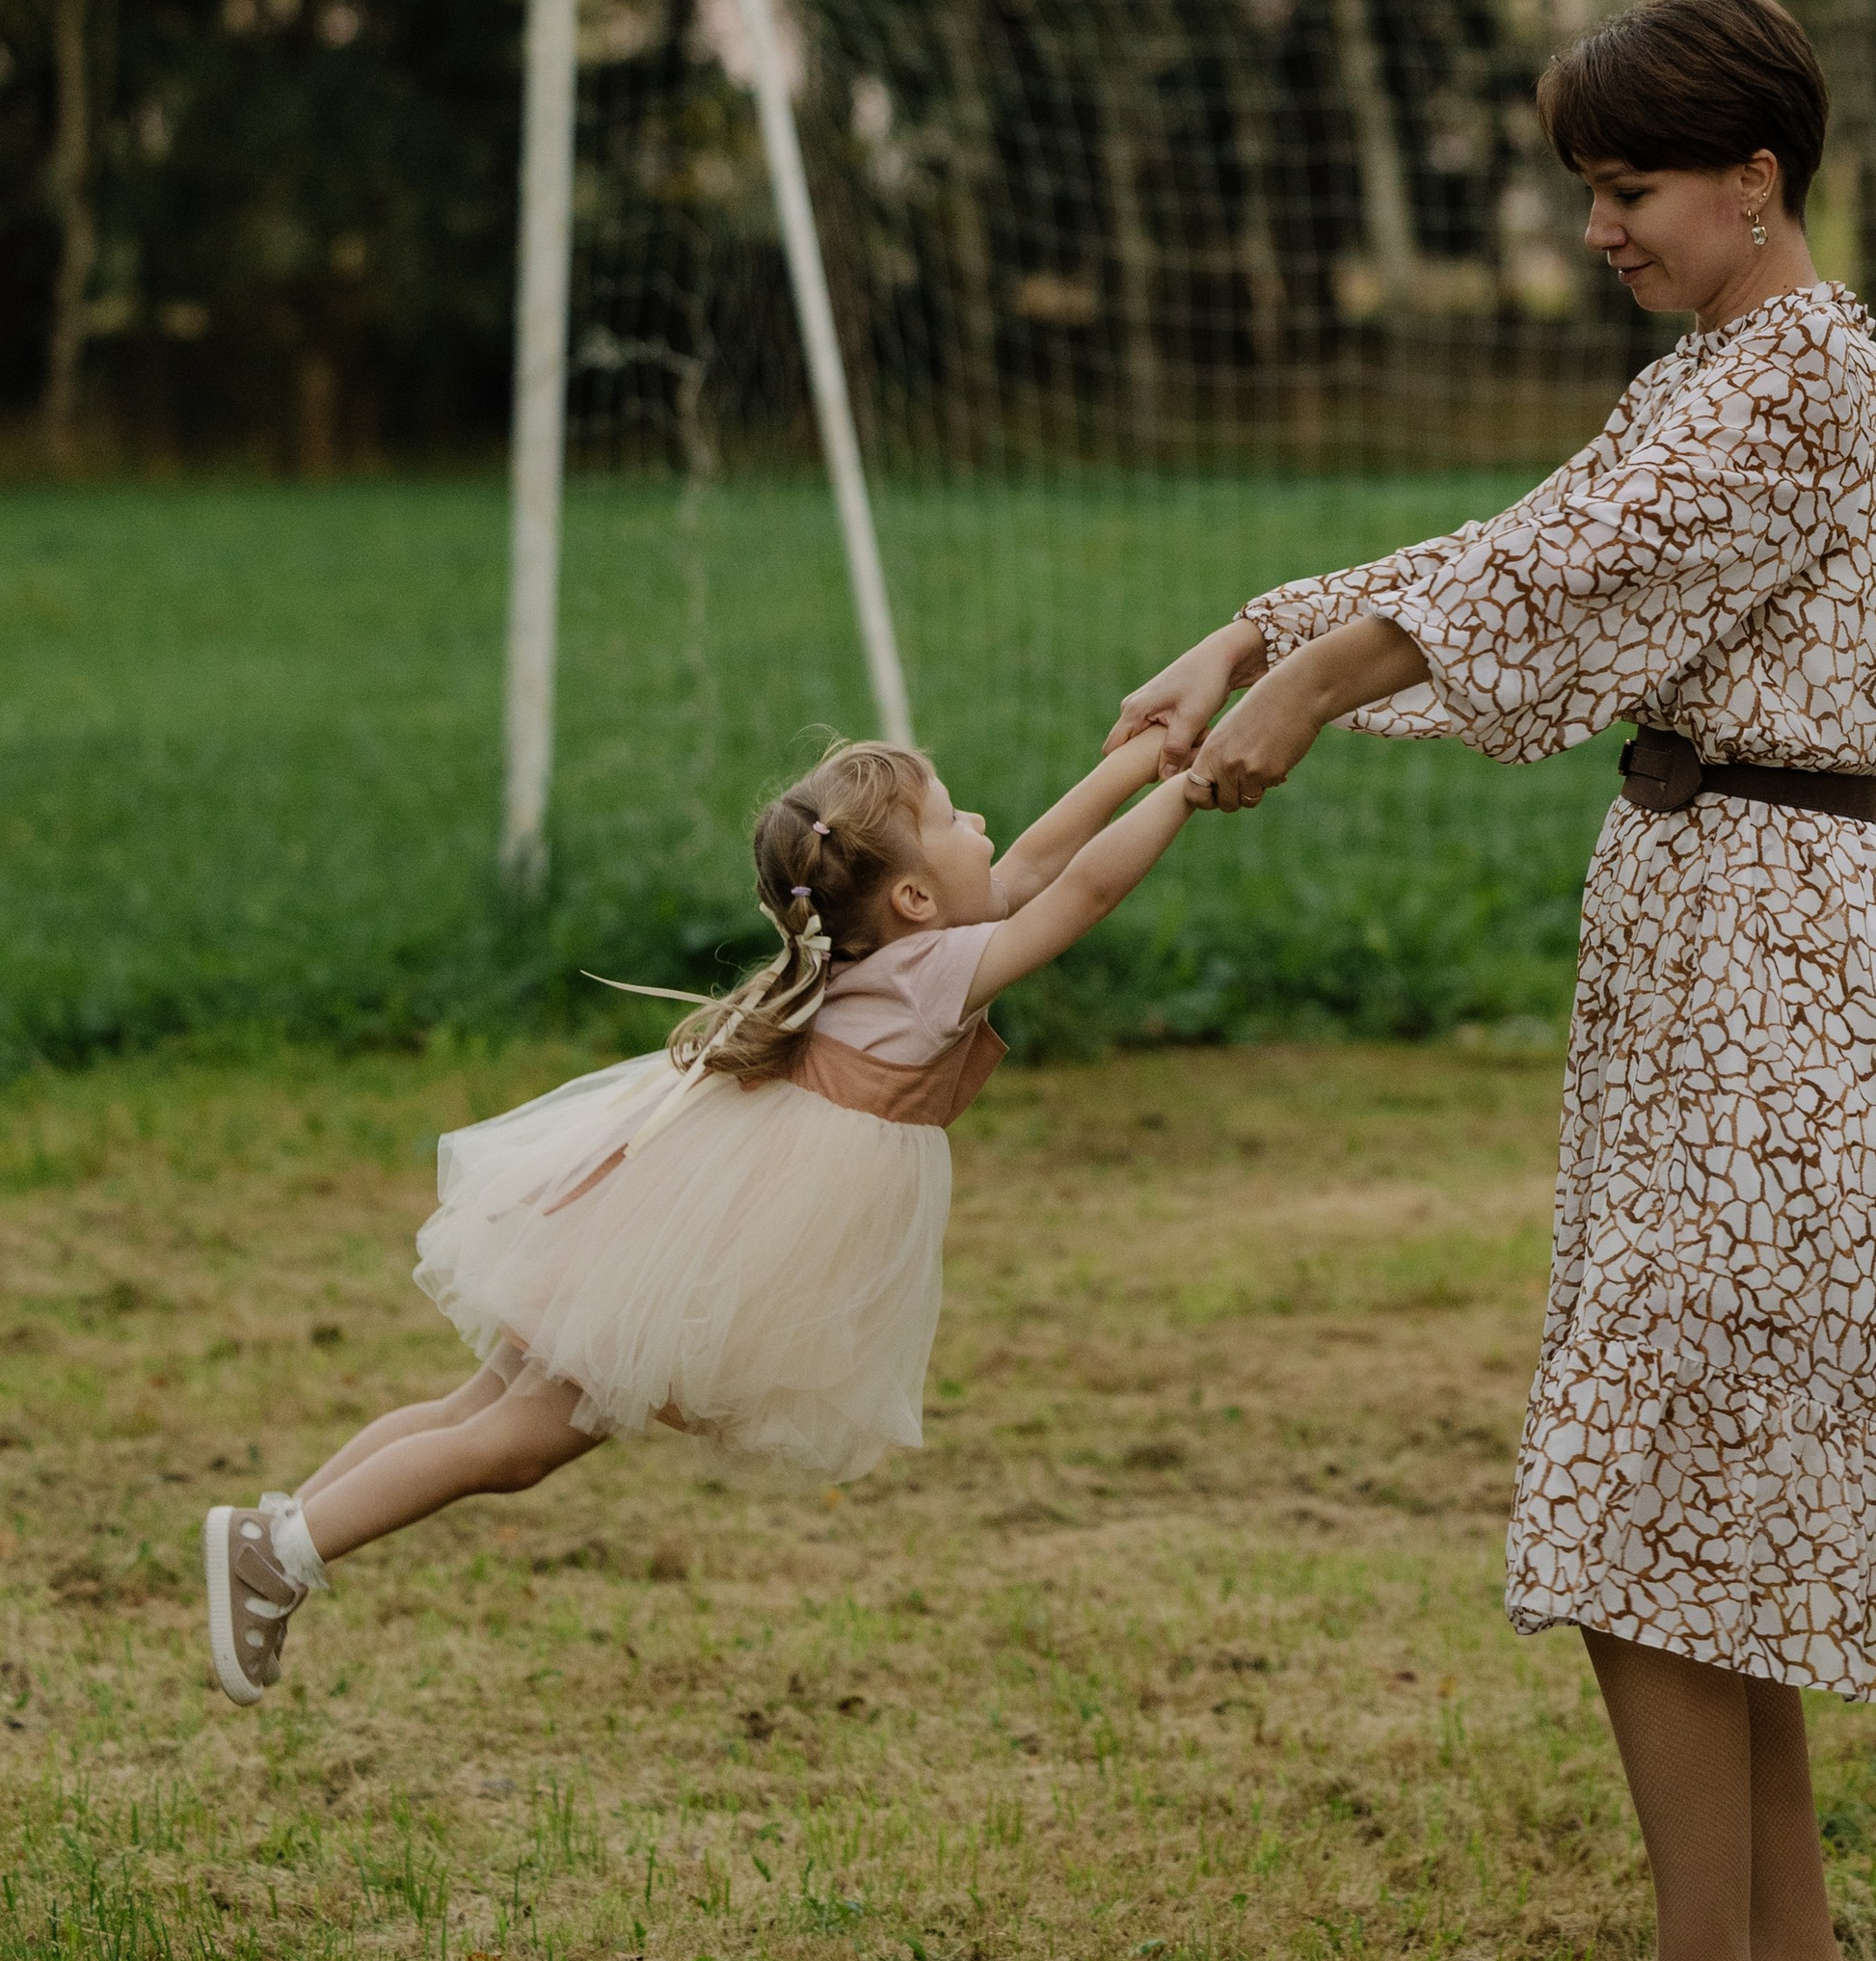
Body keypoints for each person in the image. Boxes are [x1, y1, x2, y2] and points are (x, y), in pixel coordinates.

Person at [1110, 0, 1876, 1961]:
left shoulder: (1802, 389)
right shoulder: (1710, 372)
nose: (1599, 224)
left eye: (1628, 187)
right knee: (1696, 1481)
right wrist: (1256, 624)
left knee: (1638, 1483)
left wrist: (1312, 684)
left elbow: (1563, 575)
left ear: (1751, 181)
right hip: (1696, 948)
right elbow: (1516, 549)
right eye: (1587, 189)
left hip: (1775, 966)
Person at [202, 732, 1195, 1706]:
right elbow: (1079, 891)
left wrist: (1140, 761)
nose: (982, 825)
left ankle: (276, 1528)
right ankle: (284, 1553)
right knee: (519, 1443)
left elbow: (1026, 871)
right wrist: (1183, 790)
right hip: (701, 1236)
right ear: (912, 897)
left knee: (480, 1406)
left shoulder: (902, 950)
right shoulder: (935, 972)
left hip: (665, 1203)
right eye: (953, 816)